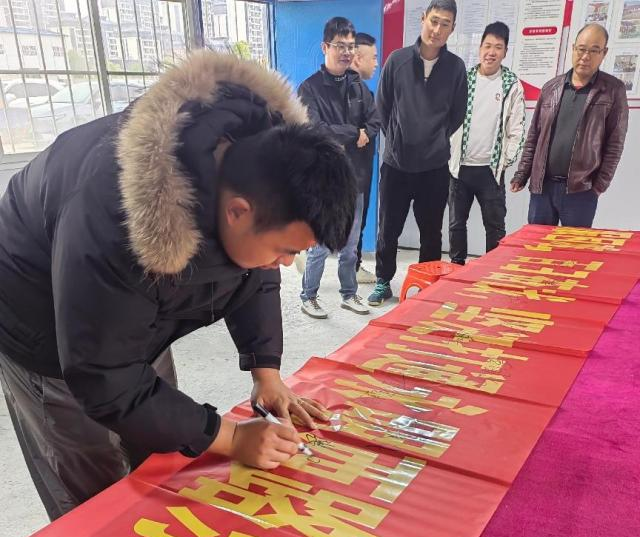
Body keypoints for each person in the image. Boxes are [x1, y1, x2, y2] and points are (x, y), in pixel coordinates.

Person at [0, 50, 358, 520]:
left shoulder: (261, 162)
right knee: (94, 489)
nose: (285, 264)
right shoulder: (117, 217)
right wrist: (232, 437)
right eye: (286, 250)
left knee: (161, 452)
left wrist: (266, 372)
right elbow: (105, 377)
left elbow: (254, 271)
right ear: (238, 212)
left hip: (122, 301)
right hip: (36, 313)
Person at [369, 0, 467, 306]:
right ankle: (383, 281)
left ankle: (427, 285)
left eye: (445, 24)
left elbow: (457, 114)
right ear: (423, 18)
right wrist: (398, 140)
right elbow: (382, 107)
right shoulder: (396, 61)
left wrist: (434, 139)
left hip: (434, 167)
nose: (437, 30)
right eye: (433, 21)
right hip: (396, 165)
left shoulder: (455, 68)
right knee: (388, 228)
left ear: (452, 29)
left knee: (431, 232)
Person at [298, 17, 380, 319]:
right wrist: (354, 133)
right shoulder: (309, 88)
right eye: (339, 46)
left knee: (350, 244)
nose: (346, 52)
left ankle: (348, 293)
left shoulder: (358, 86)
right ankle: (308, 296)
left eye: (350, 47)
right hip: (326, 180)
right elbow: (317, 130)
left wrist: (361, 132)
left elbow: (375, 121)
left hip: (355, 178)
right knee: (320, 244)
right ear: (325, 47)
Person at [511, 23, 629, 227]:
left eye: (594, 50)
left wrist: (598, 186)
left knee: (573, 247)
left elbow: (615, 144)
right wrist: (522, 174)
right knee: (538, 245)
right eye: (581, 49)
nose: (585, 56)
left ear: (604, 53)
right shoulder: (551, 88)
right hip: (542, 188)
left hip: (581, 191)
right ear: (573, 48)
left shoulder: (613, 90)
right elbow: (534, 136)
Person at [448, 21, 525, 265]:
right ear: (480, 47)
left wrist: (505, 160)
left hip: (491, 171)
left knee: (495, 226)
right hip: (460, 169)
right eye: (487, 46)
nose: (491, 52)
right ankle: (457, 268)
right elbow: (447, 118)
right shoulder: (464, 79)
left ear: (505, 51)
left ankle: (492, 270)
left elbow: (517, 128)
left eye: (498, 47)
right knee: (456, 224)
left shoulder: (511, 84)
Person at [350, 32, 380, 285]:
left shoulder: (364, 92)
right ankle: (353, 267)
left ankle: (353, 265)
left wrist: (366, 131)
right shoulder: (349, 91)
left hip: (358, 166)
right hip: (350, 170)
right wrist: (357, 133)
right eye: (374, 57)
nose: (376, 63)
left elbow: (374, 122)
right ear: (358, 58)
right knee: (352, 219)